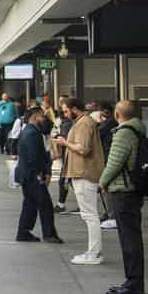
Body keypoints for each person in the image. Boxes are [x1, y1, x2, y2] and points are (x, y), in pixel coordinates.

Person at [101, 101, 146, 294]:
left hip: (124, 190)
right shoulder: (138, 129)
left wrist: (102, 182)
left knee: (129, 239)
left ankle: (133, 283)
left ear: (117, 114)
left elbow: (115, 161)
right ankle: (134, 281)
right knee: (132, 237)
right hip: (132, 189)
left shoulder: (124, 133)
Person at [56, 98, 105, 265]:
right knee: (90, 214)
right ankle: (94, 251)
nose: (64, 114)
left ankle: (94, 253)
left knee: (89, 214)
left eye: (66, 111)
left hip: (84, 172)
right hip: (83, 172)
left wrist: (64, 142)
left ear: (74, 109)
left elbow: (83, 148)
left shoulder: (84, 123)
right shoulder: (84, 122)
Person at [15, 109, 63, 244]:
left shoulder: (30, 131)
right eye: (42, 116)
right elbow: (34, 157)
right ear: (35, 117)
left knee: (30, 204)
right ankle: (49, 234)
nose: (45, 119)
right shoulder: (32, 133)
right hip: (33, 175)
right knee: (45, 205)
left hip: (27, 174)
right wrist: (41, 174)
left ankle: (23, 232)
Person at [96, 101, 118, 229]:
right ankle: (110, 213)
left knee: (105, 186)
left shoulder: (109, 123)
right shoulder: (110, 123)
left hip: (107, 158)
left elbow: (97, 134)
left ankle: (112, 215)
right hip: (106, 157)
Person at [53, 98, 75, 213]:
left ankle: (61, 204)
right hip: (69, 156)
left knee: (64, 180)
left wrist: (58, 138)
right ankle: (61, 203)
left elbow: (65, 140)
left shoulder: (67, 124)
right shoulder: (72, 123)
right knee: (69, 180)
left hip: (69, 157)